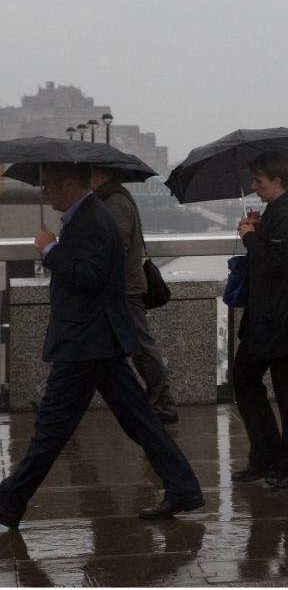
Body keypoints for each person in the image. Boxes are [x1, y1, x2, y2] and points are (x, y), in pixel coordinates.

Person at [0, 163, 202, 530]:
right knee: (139, 420)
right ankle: (184, 487)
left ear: (70, 183)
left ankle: (10, 500)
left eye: (49, 185)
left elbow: (90, 277)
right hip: (98, 337)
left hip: (85, 341)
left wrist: (51, 251)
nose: (44, 191)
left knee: (52, 427)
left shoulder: (94, 219)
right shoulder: (88, 215)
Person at [231, 152, 288, 488]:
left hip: (284, 316)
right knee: (244, 378)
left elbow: (275, 262)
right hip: (267, 315)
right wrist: (255, 228)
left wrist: (249, 237)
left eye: (259, 181)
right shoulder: (277, 211)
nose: (254, 187)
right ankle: (267, 456)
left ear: (278, 182)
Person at [91, 166, 179, 424]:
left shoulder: (115, 201)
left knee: (141, 347)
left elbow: (116, 245)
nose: (88, 179)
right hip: (121, 287)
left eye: (91, 174)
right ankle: (151, 402)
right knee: (118, 349)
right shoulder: (113, 198)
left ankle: (162, 403)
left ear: (102, 175)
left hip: (124, 290)